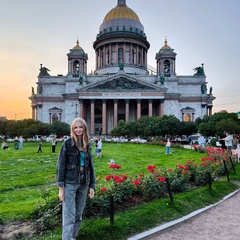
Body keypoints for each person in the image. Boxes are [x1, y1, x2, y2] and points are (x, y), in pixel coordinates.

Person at [56, 117, 96, 240]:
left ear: (84, 128)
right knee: (69, 216)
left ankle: (73, 237)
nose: (78, 130)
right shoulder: (67, 144)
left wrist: (92, 185)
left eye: (80, 127)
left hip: (84, 183)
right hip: (70, 183)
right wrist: (61, 188)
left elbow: (90, 166)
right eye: (76, 127)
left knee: (78, 215)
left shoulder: (87, 143)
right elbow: (61, 166)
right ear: (73, 129)